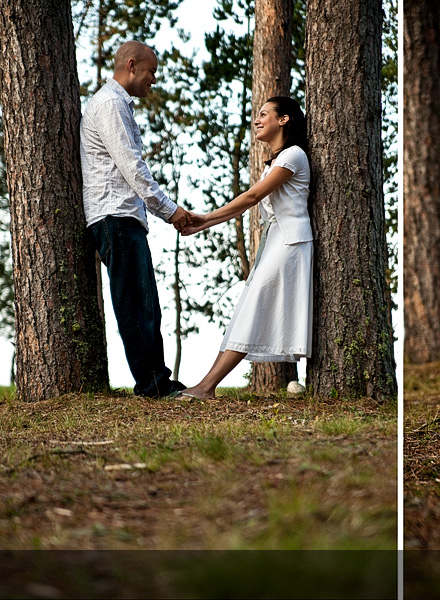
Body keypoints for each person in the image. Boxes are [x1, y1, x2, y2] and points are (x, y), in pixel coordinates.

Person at [178, 97, 312, 399]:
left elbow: (252, 198)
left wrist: (204, 219)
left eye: (264, 114)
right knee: (245, 311)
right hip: (277, 241)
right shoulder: (277, 161)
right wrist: (204, 223)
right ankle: (205, 386)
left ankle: (206, 387)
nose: (257, 120)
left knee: (251, 311)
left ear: (284, 120)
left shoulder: (293, 155)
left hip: (291, 242)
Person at [81, 41, 191, 397]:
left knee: (145, 305)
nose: (153, 80)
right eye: (151, 72)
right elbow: (132, 167)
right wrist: (170, 210)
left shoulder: (117, 104)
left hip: (124, 217)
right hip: (114, 216)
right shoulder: (111, 103)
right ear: (132, 65)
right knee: (135, 305)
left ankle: (157, 380)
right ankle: (153, 385)